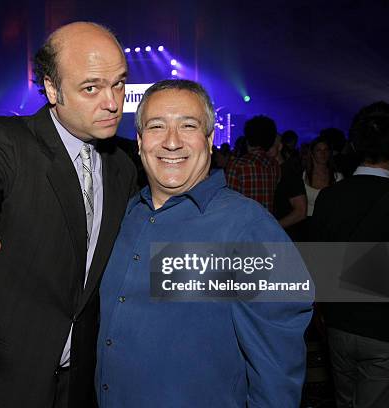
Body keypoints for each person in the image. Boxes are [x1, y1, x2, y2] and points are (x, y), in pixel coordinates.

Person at [0, 22, 136, 407]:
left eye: (118, 83)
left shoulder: (123, 166)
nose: (113, 101)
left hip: (73, 387)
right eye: (91, 88)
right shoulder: (6, 141)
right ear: (52, 89)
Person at [96, 80, 312, 407]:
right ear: (139, 142)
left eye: (188, 126)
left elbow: (276, 372)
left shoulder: (247, 228)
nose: (172, 142)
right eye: (156, 126)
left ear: (210, 141)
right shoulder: (123, 218)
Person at [311, 101, 389, 408]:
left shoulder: (329, 198)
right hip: (387, 330)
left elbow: (317, 264)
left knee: (344, 400)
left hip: (337, 324)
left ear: (353, 144)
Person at [225, 115, 281, 213]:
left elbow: (230, 201)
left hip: (244, 223)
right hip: (268, 223)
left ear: (248, 137)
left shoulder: (238, 165)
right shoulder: (274, 165)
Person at [303, 135, 343, 217]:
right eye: (318, 150)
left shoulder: (338, 177)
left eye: (326, 150)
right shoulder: (302, 176)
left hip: (330, 222)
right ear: (312, 153)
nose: (323, 153)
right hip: (307, 223)